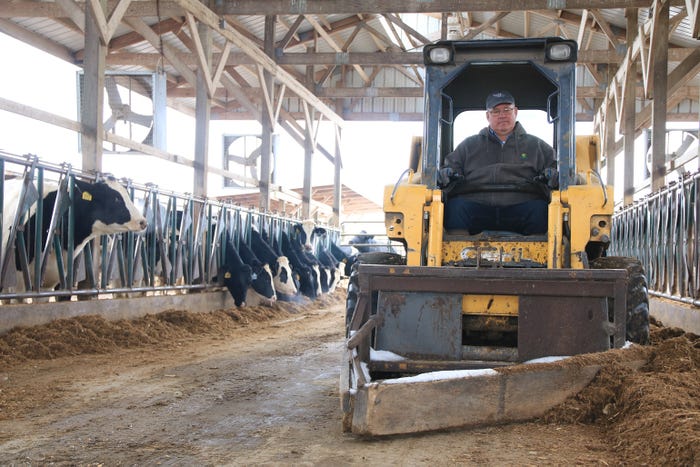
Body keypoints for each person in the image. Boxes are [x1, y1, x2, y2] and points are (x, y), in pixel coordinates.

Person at [439, 90, 557, 235]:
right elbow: (451, 166)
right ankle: (456, 253)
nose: (502, 115)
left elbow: (554, 168)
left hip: (521, 205)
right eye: (496, 111)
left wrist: (553, 174)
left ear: (515, 112)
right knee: (455, 208)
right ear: (488, 116)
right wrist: (448, 172)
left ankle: (542, 255)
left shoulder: (538, 146)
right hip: (477, 205)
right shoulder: (468, 145)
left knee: (542, 210)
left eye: (507, 110)